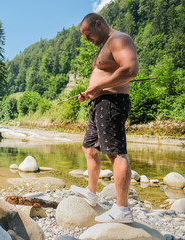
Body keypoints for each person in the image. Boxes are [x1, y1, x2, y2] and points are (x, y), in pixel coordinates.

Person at [70, 13, 139, 223]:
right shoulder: (105, 45)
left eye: (88, 34)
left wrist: (98, 87)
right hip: (100, 102)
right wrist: (90, 93)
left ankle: (122, 210)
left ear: (98, 24)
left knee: (115, 153)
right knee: (89, 148)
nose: (87, 39)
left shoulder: (119, 39)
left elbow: (131, 69)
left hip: (112, 102)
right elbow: (105, 75)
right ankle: (91, 192)